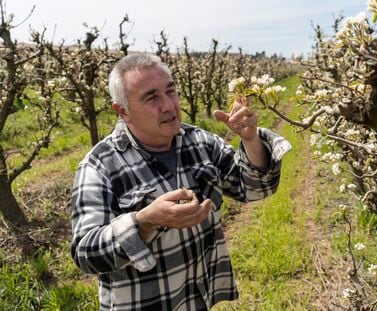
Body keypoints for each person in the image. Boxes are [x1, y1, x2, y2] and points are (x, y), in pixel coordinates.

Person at [71, 53, 291, 311]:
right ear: (123, 111)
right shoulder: (100, 166)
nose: (168, 105)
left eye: (171, 91)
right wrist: (145, 222)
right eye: (151, 98)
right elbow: (86, 254)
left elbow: (255, 188)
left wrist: (251, 141)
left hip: (197, 300)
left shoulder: (199, 142)